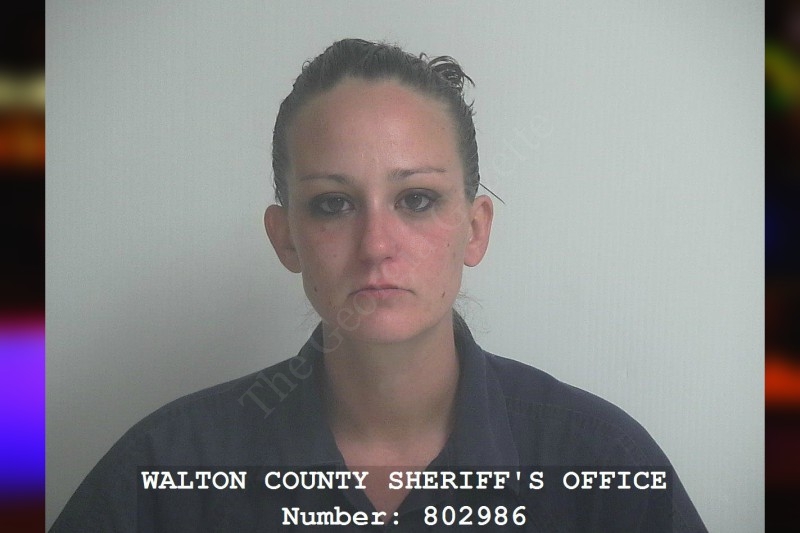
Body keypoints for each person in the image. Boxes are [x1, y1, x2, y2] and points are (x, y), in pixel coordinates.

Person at [50, 38, 707, 532]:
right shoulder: (164, 477)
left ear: (475, 230)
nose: (376, 245)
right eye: (333, 204)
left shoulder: (605, 471)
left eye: (416, 199)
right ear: (286, 238)